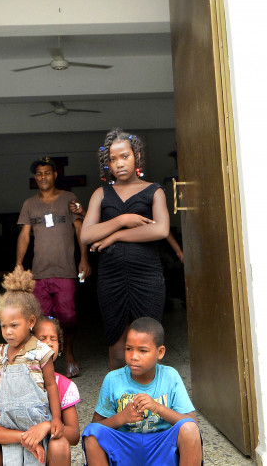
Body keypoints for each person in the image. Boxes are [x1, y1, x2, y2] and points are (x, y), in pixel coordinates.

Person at [78, 129, 171, 370]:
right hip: (112, 279)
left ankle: (148, 395)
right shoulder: (101, 194)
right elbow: (86, 234)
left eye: (125, 156)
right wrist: (122, 220)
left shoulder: (154, 191)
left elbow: (161, 230)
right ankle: (120, 395)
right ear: (107, 164)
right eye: (112, 159)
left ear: (136, 157)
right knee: (118, 351)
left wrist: (115, 236)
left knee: (146, 346)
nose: (119, 163)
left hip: (147, 277)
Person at [81, 318, 201, 466]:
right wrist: (121, 418)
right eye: (128, 349)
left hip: (161, 447)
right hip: (125, 448)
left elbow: (191, 422)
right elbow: (97, 426)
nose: (133, 356)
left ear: (160, 352)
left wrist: (158, 408)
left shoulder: (170, 376)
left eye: (142, 350)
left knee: (189, 429)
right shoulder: (113, 379)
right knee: (91, 433)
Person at [0, 268, 63, 465]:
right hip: (7, 424)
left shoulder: (41, 352)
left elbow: (51, 385)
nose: (8, 332)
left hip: (36, 423)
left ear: (31, 321)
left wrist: (56, 418)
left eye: (14, 325)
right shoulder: (0, 353)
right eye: (3, 326)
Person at [14, 156, 89, 378]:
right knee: (41, 320)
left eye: (47, 173)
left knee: (68, 317)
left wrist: (84, 259)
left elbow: (80, 230)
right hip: (39, 273)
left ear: (55, 175)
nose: (43, 177)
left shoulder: (69, 199)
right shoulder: (29, 204)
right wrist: (18, 264)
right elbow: (24, 236)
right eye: (39, 174)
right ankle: (46, 360)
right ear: (35, 178)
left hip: (65, 271)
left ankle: (69, 355)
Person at [0, 316, 81, 466]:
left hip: (46, 453)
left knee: (59, 445)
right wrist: (24, 437)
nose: (48, 343)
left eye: (53, 339)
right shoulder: (12, 383)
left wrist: (47, 427)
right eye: (42, 339)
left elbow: (74, 435)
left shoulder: (63, 386)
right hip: (10, 451)